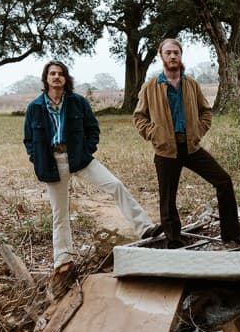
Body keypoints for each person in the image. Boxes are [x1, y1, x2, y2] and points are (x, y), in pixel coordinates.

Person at [24, 61, 161, 289]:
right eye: (52, 74)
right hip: (52, 163)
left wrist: (86, 150)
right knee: (59, 214)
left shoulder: (78, 102)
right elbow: (28, 139)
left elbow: (93, 128)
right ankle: (63, 261)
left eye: (60, 74)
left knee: (115, 185)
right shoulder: (35, 107)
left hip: (79, 158)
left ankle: (144, 227)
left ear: (66, 78)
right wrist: (36, 158)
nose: (56, 77)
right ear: (46, 79)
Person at [134, 39, 240, 249]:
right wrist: (155, 134)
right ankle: (173, 239)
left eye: (176, 52)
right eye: (168, 53)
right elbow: (139, 116)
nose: (173, 56)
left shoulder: (191, 84)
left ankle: (232, 233)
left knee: (223, 181)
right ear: (161, 56)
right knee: (167, 197)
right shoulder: (150, 86)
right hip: (166, 150)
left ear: (181, 55)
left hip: (190, 147)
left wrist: (198, 130)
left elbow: (206, 111)